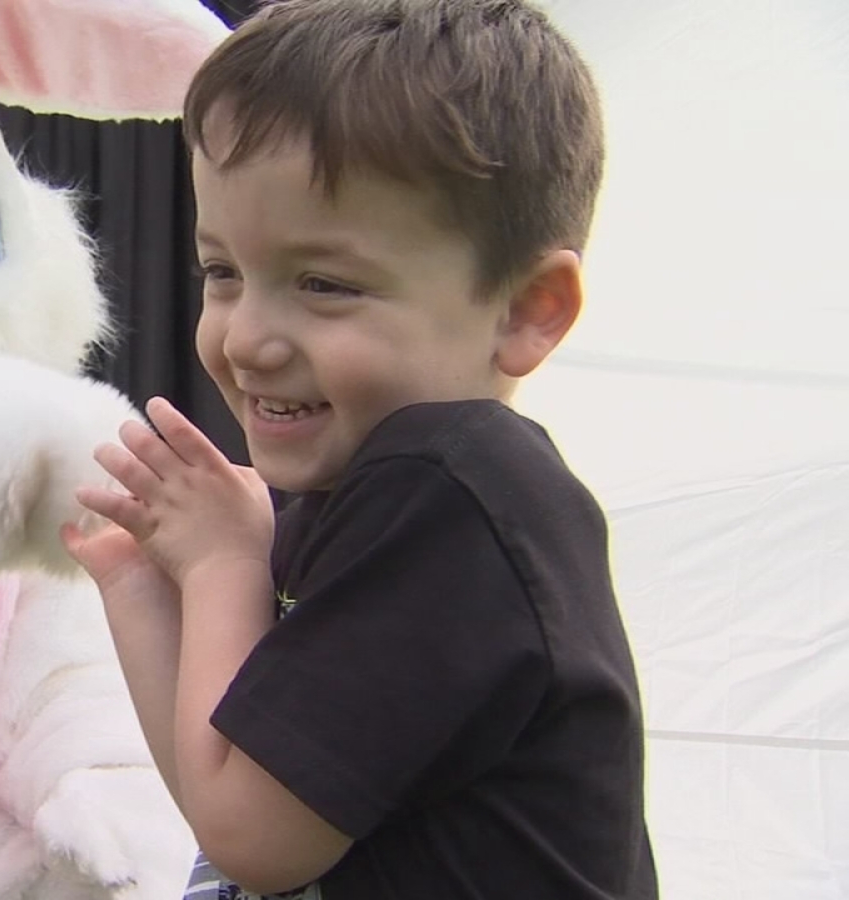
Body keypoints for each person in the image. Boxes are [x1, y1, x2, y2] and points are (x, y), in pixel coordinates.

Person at [59, 1, 659, 898]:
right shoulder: (370, 496)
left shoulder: (450, 494)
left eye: (324, 284)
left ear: (527, 309)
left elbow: (250, 839)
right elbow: (222, 789)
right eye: (222, 272)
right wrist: (139, 584)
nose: (246, 338)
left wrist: (223, 566)